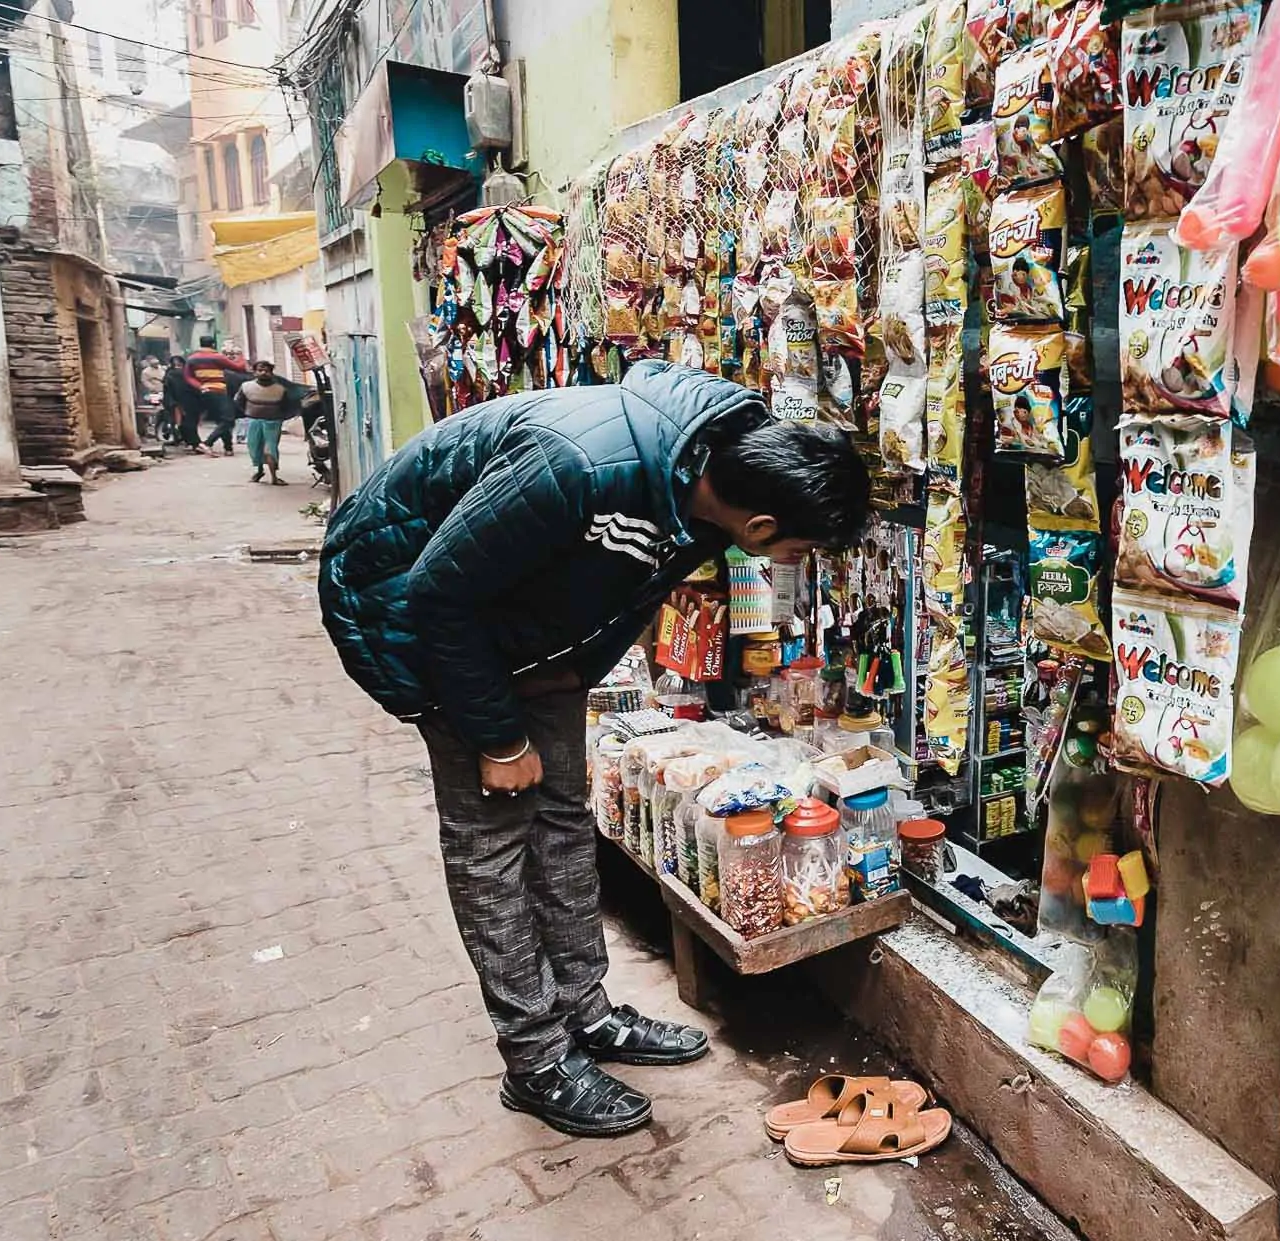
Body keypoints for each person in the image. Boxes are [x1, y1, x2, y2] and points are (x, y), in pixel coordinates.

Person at [318, 362, 869, 1138]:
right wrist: (499, 736)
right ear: (763, 530)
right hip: (412, 615)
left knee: (562, 826)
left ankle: (585, 1013)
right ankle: (535, 1058)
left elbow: (630, 587)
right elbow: (436, 597)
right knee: (493, 842)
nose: (791, 566)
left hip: (521, 626)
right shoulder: (579, 462)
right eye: (799, 550)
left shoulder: (709, 476)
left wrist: (576, 671)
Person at [237, 359, 297, 484]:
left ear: (272, 373)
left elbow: (288, 406)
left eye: (267, 370)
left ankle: (274, 477)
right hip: (253, 421)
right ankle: (259, 471)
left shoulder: (280, 389)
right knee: (255, 448)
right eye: (260, 370)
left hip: (273, 422)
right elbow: (239, 402)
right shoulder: (246, 387)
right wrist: (248, 413)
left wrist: (281, 418)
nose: (264, 373)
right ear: (254, 372)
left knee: (270, 449)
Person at [184, 344, 248, 455]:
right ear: (213, 345)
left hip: (206, 393)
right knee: (228, 420)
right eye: (228, 354)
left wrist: (200, 386)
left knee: (221, 420)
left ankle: (228, 448)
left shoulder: (193, 359)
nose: (230, 356)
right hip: (220, 392)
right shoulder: (218, 359)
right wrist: (241, 356)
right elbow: (240, 367)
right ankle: (207, 443)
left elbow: (188, 376)